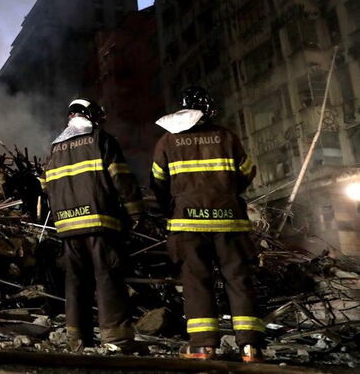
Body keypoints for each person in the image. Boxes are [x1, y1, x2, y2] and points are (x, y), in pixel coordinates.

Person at [150, 86, 264, 363]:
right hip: (229, 222)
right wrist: (226, 192)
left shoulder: (167, 141)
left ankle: (203, 347)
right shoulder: (227, 137)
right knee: (238, 280)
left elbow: (158, 182)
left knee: (196, 281)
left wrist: (173, 206)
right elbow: (248, 172)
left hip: (187, 224)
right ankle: (250, 348)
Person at [41, 98, 144, 351]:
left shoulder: (55, 148)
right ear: (90, 115)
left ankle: (76, 338)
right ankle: (116, 339)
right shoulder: (101, 140)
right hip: (100, 222)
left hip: (67, 227)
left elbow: (45, 185)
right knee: (107, 277)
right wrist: (135, 212)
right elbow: (121, 179)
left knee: (75, 282)